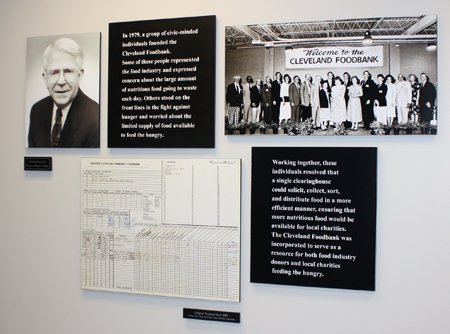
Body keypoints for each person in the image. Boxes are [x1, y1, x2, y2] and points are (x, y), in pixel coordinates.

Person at [28, 38, 99, 148]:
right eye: (54, 72)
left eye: (68, 71)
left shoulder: (95, 119)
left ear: (79, 76)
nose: (61, 81)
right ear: (45, 78)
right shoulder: (37, 111)